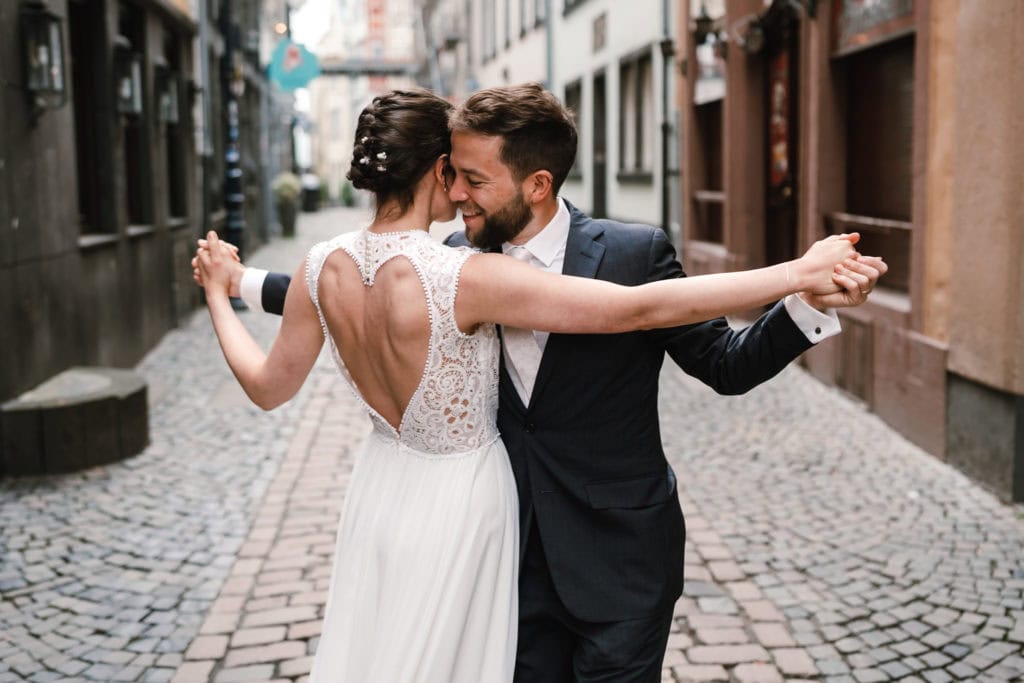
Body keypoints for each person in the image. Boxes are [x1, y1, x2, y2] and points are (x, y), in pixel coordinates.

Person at [195, 86, 884, 682]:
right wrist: (243, 281)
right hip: (501, 561)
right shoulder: (455, 262)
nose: (457, 193)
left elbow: (723, 361)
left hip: (620, 560)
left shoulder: (633, 252)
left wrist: (803, 300)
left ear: (537, 184)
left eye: (473, 178)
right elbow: (351, 290)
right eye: (452, 175)